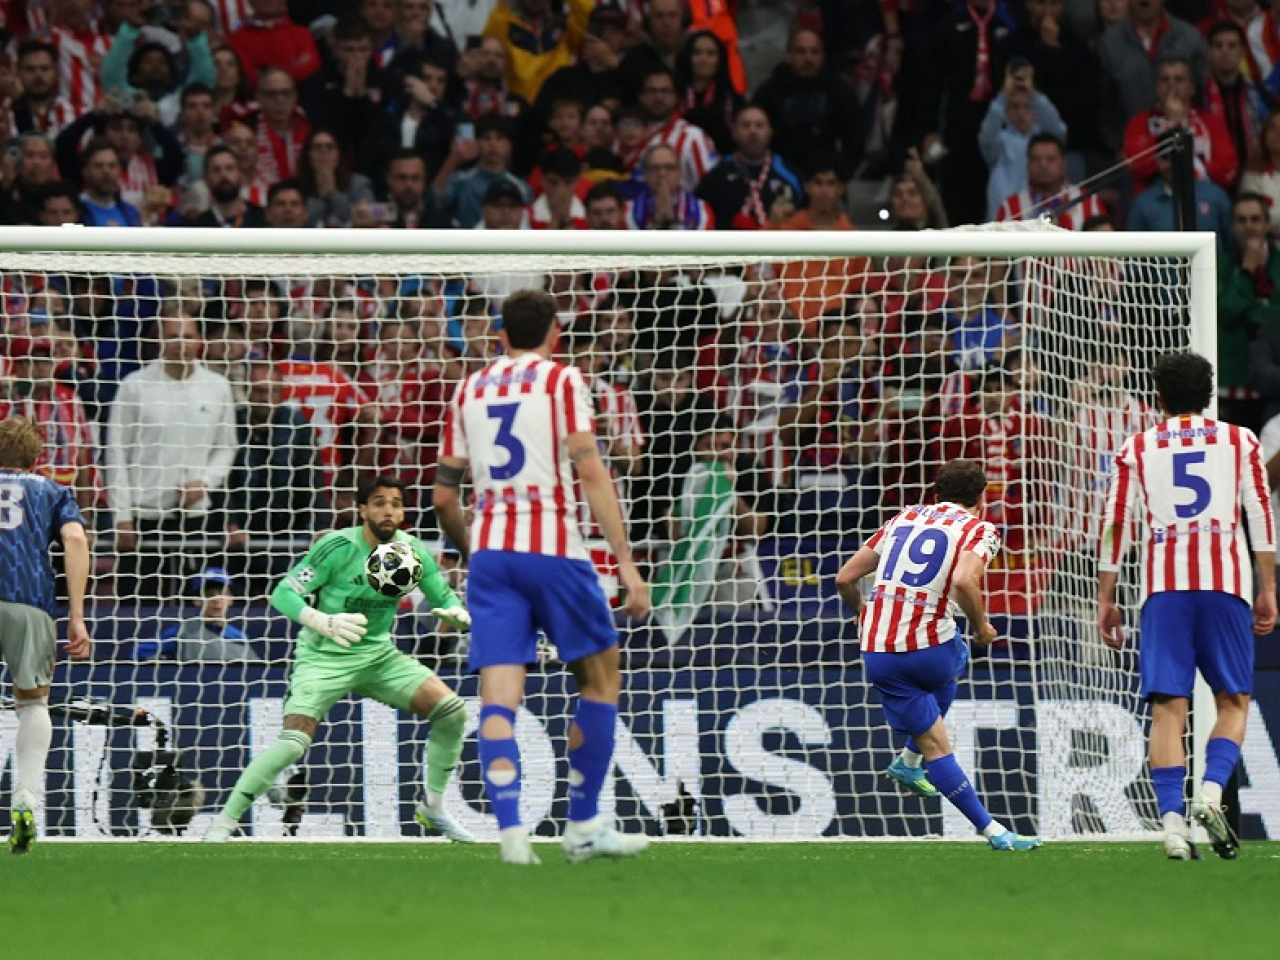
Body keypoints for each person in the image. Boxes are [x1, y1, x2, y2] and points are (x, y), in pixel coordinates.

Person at [432, 289, 651, 865]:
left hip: (493, 558)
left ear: (498, 335)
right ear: (554, 333)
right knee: (601, 679)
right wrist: (626, 564)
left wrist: (475, 551)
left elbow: (443, 497)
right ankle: (581, 827)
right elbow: (591, 467)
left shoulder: (469, 388)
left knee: (498, 697)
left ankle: (511, 837)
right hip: (555, 549)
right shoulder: (562, 380)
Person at [203, 475, 475, 842]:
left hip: (379, 656)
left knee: (452, 711)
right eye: (379, 502)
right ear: (362, 509)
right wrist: (322, 621)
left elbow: (444, 596)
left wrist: (455, 613)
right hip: (322, 658)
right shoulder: (336, 547)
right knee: (292, 744)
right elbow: (283, 594)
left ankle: (434, 807)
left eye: (395, 503)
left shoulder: (410, 552)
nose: (388, 510)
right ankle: (224, 823)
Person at [1097, 351, 1277, 860]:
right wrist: (1268, 586)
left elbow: (1115, 525)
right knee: (1233, 701)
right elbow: (1260, 516)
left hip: (1162, 590)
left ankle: (1173, 825)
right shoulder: (1240, 441)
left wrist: (1106, 596)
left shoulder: (1137, 447)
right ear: (1210, 395)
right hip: (1225, 587)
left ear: (1158, 397)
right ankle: (1213, 791)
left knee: (1167, 711)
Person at [834, 458, 1042, 852]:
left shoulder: (903, 517)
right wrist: (982, 627)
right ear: (981, 499)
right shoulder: (979, 528)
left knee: (933, 737)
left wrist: (862, 613)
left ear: (936, 494)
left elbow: (845, 577)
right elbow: (964, 579)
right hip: (934, 651)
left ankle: (912, 763)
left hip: (879, 652)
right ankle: (994, 831)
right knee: (954, 664)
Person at [0, 414, 92, 854]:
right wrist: (76, 614)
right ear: (36, 458)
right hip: (29, 602)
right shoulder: (52, 491)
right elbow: (74, 540)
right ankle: (26, 798)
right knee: (33, 701)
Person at [141, 567, 258, 663]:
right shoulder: (183, 633)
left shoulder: (240, 638)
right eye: (209, 595)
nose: (216, 600)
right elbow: (140, 652)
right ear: (197, 600)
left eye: (222, 594)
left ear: (231, 599)